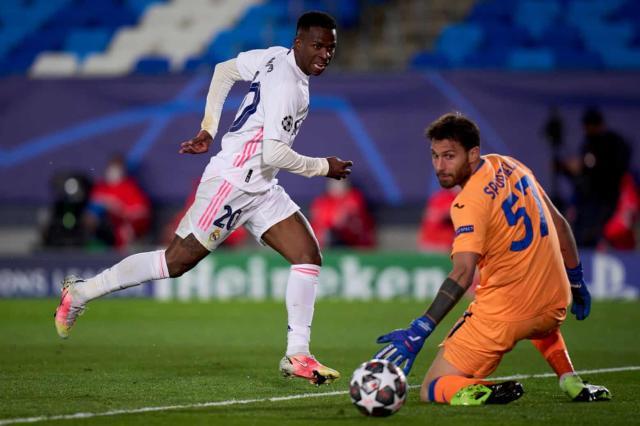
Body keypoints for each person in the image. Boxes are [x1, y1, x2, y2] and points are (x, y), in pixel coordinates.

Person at [54, 11, 352, 386]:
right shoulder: (287, 86)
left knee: (307, 255)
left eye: (331, 47)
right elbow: (274, 153)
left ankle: (298, 354)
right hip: (232, 182)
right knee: (175, 261)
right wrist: (324, 166)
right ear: (299, 42)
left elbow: (223, 71)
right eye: (318, 46)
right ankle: (81, 293)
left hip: (261, 186)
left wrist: (209, 127)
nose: (325, 54)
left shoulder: (274, 56)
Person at [374, 112, 611, 405]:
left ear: (473, 154)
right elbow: (560, 225)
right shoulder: (511, 165)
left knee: (432, 387)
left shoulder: (468, 202)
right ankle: (570, 380)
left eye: (449, 156)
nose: (440, 166)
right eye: (435, 156)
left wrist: (422, 327)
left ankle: (486, 391)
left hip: (505, 315)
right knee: (537, 319)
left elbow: (463, 273)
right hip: (554, 303)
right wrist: (576, 281)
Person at [570, 107, 631, 247]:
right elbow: (583, 175)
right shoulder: (587, 144)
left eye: (590, 126)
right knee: (581, 232)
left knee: (595, 232)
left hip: (608, 199)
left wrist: (591, 164)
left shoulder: (612, 142)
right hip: (588, 200)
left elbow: (616, 169)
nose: (587, 130)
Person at [84, 155, 151, 250]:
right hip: (103, 226)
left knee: (125, 231)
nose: (113, 171)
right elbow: (91, 209)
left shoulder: (129, 187)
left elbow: (141, 212)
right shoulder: (100, 187)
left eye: (117, 167)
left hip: (122, 226)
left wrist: (120, 209)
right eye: (112, 167)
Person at [309, 179, 376, 248]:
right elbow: (320, 224)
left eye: (340, 182)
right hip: (329, 242)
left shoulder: (354, 198)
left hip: (354, 241)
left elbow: (342, 220)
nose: (337, 185)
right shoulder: (322, 202)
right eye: (334, 183)